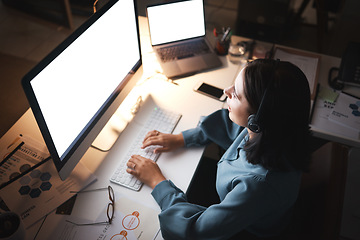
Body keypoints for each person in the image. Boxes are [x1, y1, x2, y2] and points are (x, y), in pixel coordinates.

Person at [126, 58, 311, 240]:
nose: (226, 91)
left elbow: (195, 230)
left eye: (236, 94)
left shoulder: (257, 186)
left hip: (247, 231)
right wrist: (181, 138)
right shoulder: (275, 130)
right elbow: (228, 126)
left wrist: (158, 183)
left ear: (256, 120)